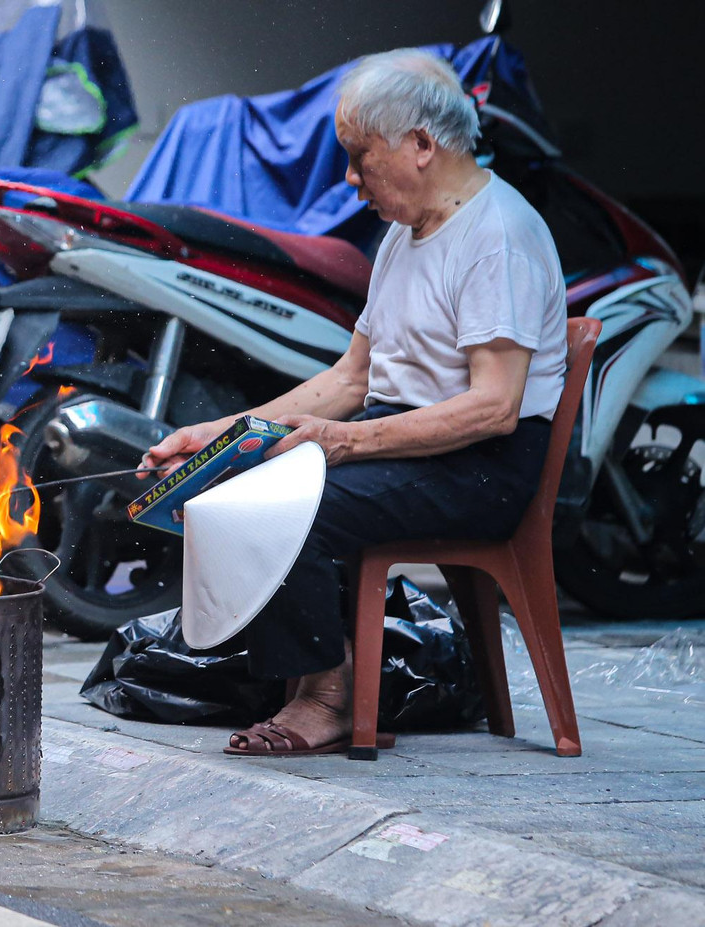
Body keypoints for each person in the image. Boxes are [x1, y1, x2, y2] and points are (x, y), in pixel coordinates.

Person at [142, 48, 567, 757]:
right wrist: (216, 435)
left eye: (358, 156)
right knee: (232, 480)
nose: (349, 178)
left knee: (288, 506)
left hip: (483, 463)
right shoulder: (405, 234)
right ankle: (308, 671)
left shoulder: (498, 237)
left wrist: (343, 443)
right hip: (409, 440)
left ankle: (328, 693)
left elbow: (495, 407)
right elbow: (351, 378)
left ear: (422, 145)